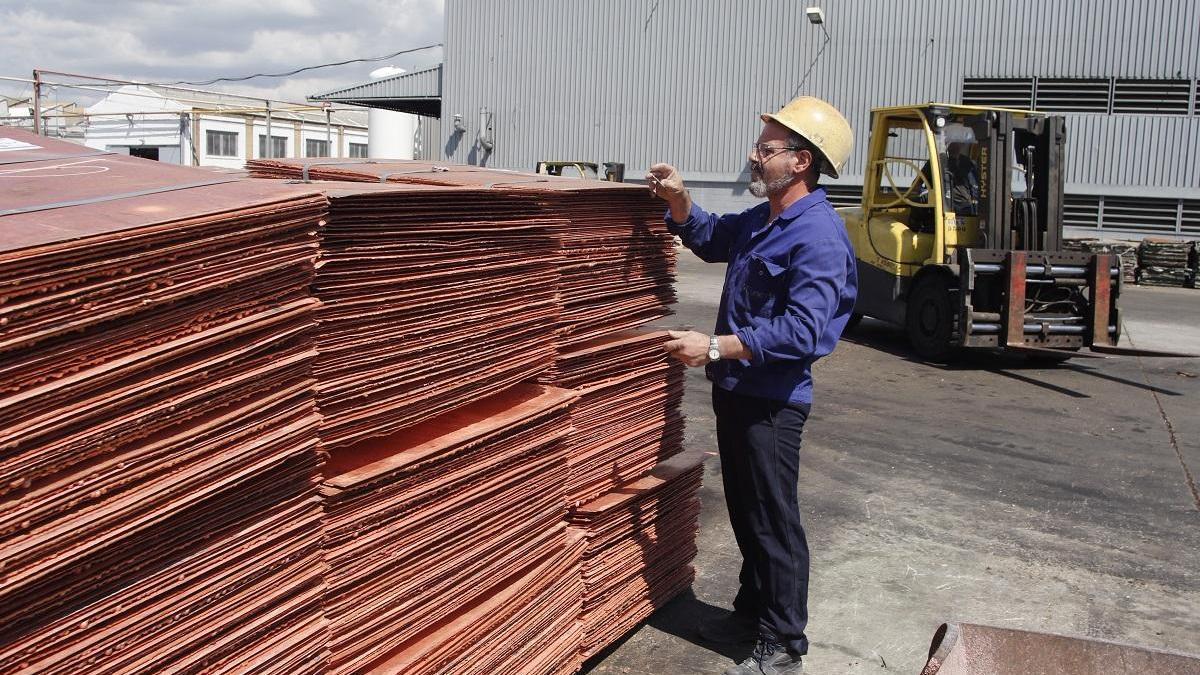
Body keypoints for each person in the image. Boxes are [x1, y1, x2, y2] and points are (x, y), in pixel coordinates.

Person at [647, 96, 857, 675]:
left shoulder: (816, 235)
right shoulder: (764, 220)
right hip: (736, 390)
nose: (753, 156)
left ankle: (785, 641)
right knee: (745, 509)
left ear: (801, 162)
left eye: (766, 149)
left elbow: (805, 330)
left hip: (771, 403)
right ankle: (750, 613)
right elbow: (712, 237)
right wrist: (679, 199)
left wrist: (714, 346)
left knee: (773, 518)